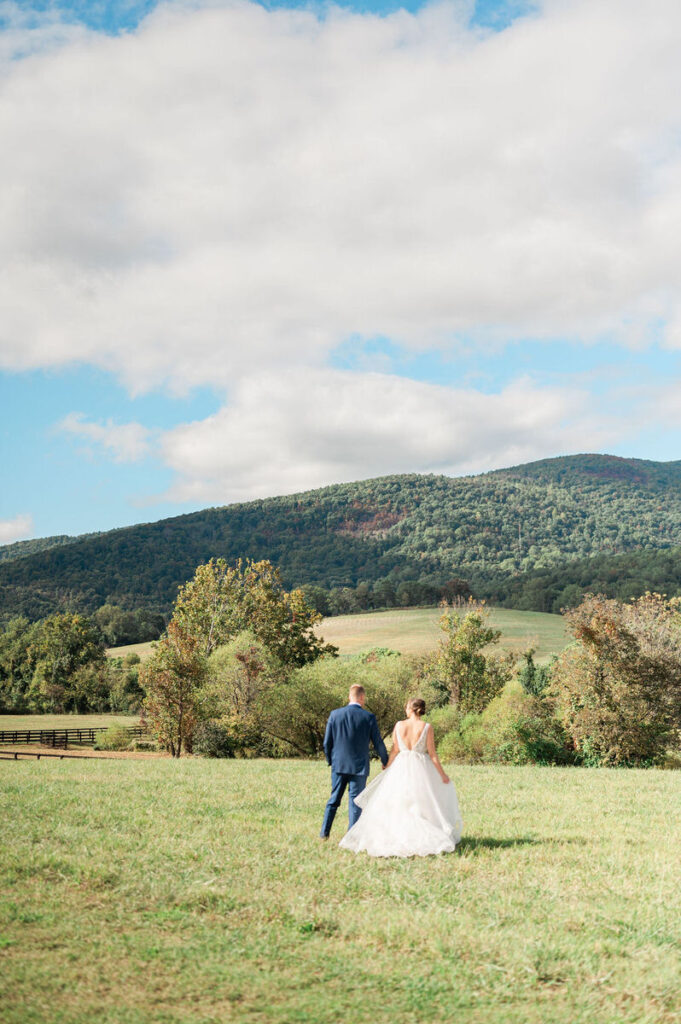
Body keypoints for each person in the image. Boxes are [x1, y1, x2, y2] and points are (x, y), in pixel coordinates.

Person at [339, 697, 463, 857]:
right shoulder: (426, 727)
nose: (405, 710)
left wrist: (388, 765)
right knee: (421, 802)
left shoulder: (399, 725)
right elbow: (432, 754)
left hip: (401, 766)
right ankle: (419, 836)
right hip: (421, 768)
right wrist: (442, 774)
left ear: (411, 709)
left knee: (396, 801)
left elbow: (395, 749)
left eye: (406, 707)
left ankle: (395, 835)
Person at [320, 684, 389, 839]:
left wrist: (330, 760)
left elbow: (326, 743)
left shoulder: (334, 714)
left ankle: (324, 833)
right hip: (359, 767)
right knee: (356, 802)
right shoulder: (368, 717)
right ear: (362, 697)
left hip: (339, 764)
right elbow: (378, 742)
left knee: (333, 800)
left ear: (349, 696)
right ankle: (351, 837)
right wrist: (386, 761)